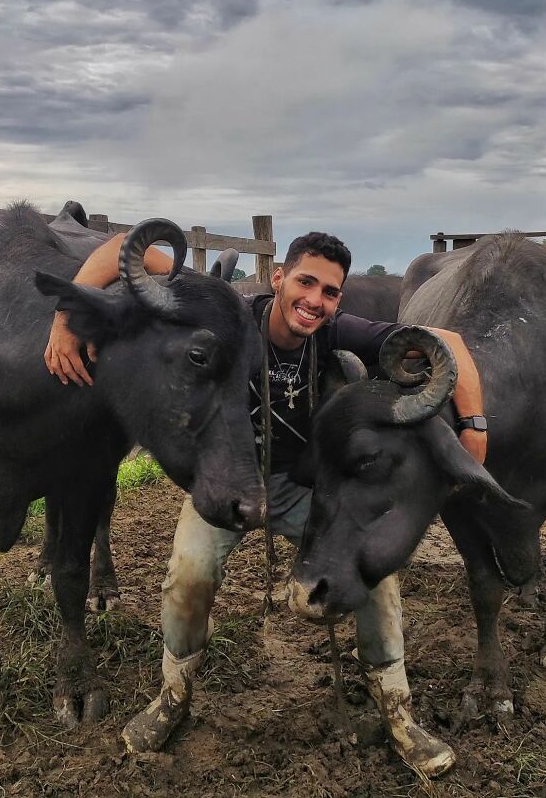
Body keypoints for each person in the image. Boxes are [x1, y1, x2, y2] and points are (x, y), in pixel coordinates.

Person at [45, 230, 487, 778]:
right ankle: (173, 695)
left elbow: (448, 341)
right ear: (277, 277)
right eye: (305, 281)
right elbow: (120, 250)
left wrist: (475, 430)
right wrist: (66, 318)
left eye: (329, 292)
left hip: (304, 487)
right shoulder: (231, 315)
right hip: (226, 477)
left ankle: (399, 711)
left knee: (374, 574)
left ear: (338, 301)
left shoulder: (335, 332)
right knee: (187, 574)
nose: (314, 300)